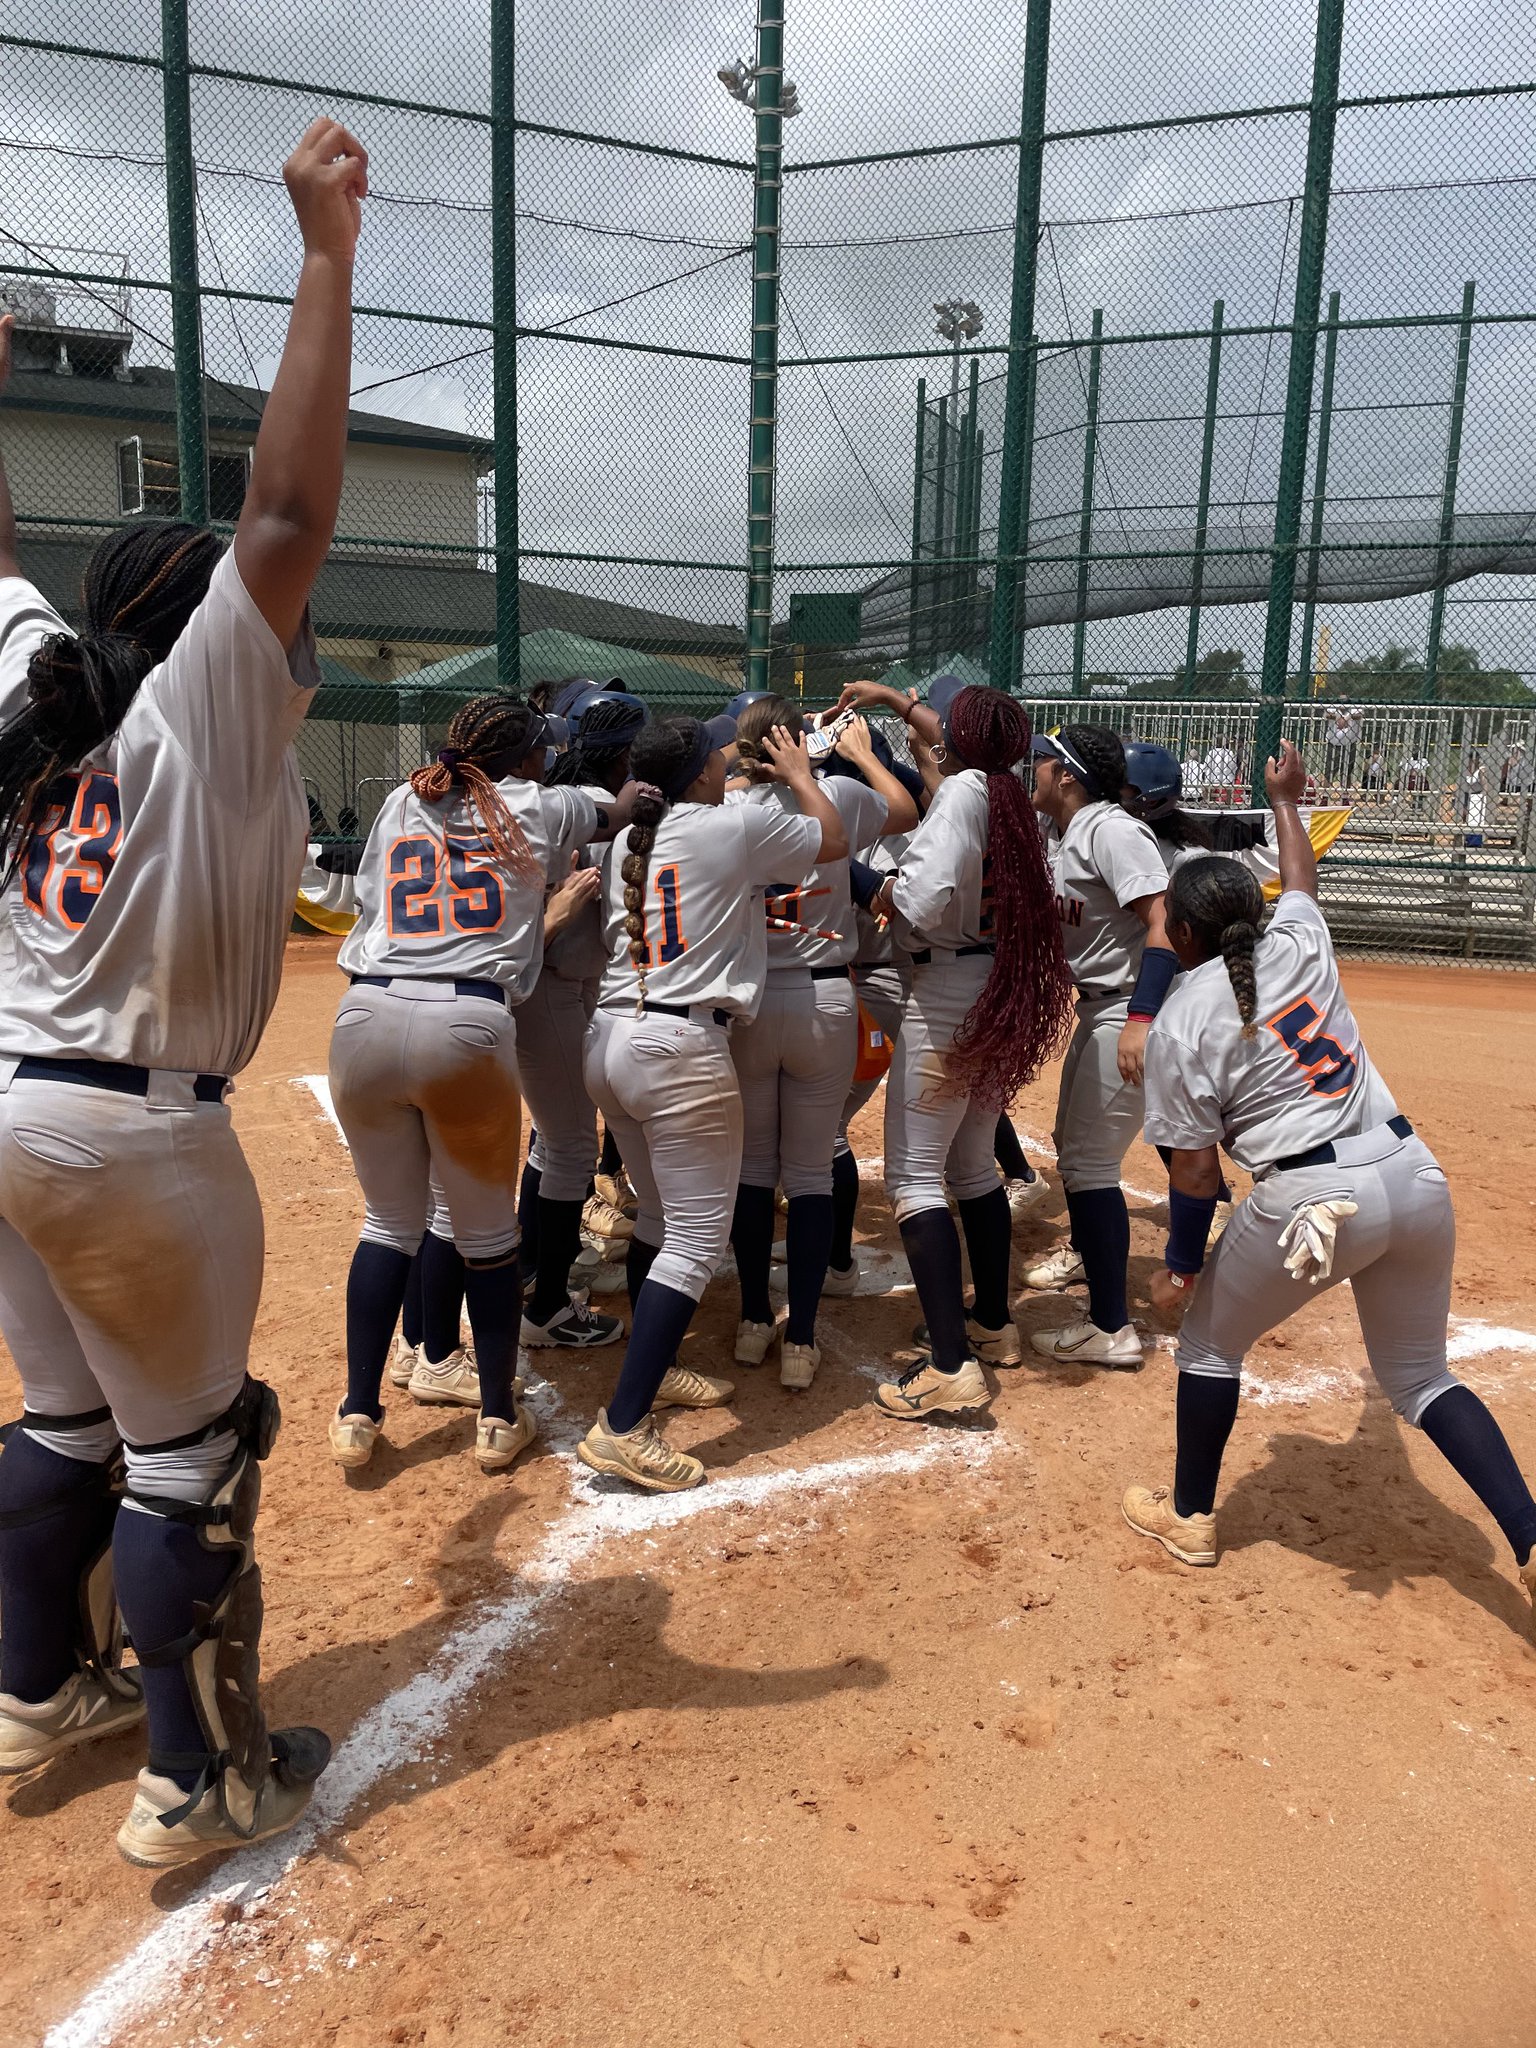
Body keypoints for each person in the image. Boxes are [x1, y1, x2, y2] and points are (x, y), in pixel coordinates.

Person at [0, 119, 365, 1867]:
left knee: (67, 1418)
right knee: (187, 1455)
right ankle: (193, 1777)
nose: (284, 614)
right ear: (200, 616)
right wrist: (321, 255)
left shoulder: (45, 712)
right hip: (131, 1133)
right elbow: (289, 508)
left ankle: (32, 1683)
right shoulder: (196, 712)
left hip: (6, 1104)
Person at [1122, 739, 1536, 1623]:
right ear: (1258, 908)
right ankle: (1532, 1535)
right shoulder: (1300, 933)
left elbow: (1195, 1174)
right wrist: (1286, 799)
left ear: (1183, 935)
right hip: (1411, 1174)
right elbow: (1302, 876)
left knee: (1206, 1348)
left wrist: (1180, 1268)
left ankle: (1191, 1519)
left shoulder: (1181, 1020)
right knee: (1422, 1381)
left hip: (1312, 1202)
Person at [327, 696, 644, 1472]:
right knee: (488, 1239)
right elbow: (625, 803)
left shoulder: (408, 795)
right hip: (465, 1023)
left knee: (387, 1226)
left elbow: (373, 904)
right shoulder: (541, 801)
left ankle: (358, 1412)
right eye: (542, 748)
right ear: (528, 756)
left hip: (363, 1013)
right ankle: (499, 1419)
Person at [578, 713, 846, 1490]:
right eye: (717, 757)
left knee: (659, 1220)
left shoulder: (633, 836)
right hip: (679, 1047)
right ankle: (624, 1426)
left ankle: (651, 1374)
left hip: (612, 1034)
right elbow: (832, 842)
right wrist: (800, 775)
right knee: (697, 1239)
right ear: (697, 772)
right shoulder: (728, 827)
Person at [829, 676, 1074, 1420]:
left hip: (946, 993)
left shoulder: (968, 794)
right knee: (971, 1167)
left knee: (914, 1180)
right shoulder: (1006, 799)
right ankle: (991, 1324)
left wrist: (854, 873)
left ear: (961, 743)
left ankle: (949, 1364)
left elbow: (922, 904)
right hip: (992, 986)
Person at [726, 699, 918, 1389]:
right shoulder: (834, 792)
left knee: (752, 1169)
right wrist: (861, 754)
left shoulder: (728, 811)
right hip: (826, 994)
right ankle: (801, 1337)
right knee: (809, 1171)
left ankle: (754, 1320)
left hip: (748, 1002)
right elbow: (905, 811)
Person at [1026, 724, 1173, 1367]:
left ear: (1066, 775)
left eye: (1041, 761)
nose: (1032, 769)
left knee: (1089, 1166)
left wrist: (1142, 1018)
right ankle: (1097, 1273)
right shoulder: (1069, 833)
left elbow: (1166, 920)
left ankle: (1111, 1327)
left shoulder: (1111, 829)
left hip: (1129, 1010)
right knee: (1075, 1153)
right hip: (1103, 1008)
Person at [514, 687, 650, 1352]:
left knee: (553, 1137)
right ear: (623, 753)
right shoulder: (600, 814)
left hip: (552, 986)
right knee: (568, 1146)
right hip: (557, 988)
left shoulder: (563, 803)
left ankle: (530, 1265)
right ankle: (546, 1307)